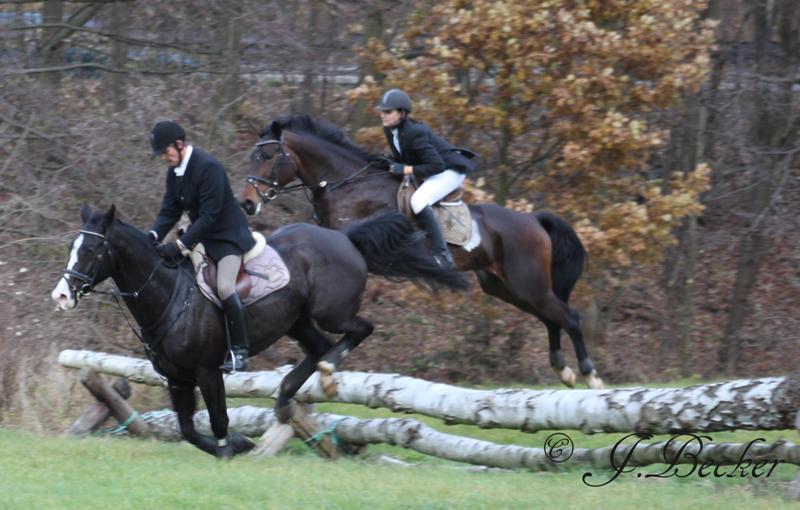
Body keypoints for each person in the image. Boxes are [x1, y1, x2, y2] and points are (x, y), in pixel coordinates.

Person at [148, 120, 255, 372]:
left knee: (224, 286)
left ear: (180, 144)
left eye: (165, 151)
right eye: (160, 154)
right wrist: (152, 236)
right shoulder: (174, 173)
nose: (163, 157)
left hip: (228, 238)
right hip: (203, 238)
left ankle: (240, 351)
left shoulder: (209, 167)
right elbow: (169, 211)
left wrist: (180, 245)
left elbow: (210, 216)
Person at [377, 89, 476, 269]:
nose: (382, 115)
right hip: (431, 170)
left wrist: (405, 169)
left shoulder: (415, 132)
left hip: (450, 170)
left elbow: (436, 165)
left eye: (388, 111)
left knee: (418, 201)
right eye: (382, 111)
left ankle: (443, 255)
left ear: (402, 113)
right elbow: (405, 158)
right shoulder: (390, 130)